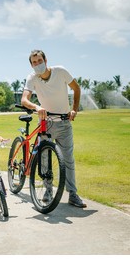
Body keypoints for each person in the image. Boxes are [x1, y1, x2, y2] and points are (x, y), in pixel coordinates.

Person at [21, 49, 87, 208]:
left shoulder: (60, 71)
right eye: (34, 62)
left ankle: (72, 194)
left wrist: (74, 109)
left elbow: (76, 89)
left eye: (39, 61)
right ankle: (48, 190)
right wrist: (37, 107)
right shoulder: (32, 78)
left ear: (45, 60)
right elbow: (24, 99)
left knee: (68, 159)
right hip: (46, 123)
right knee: (44, 159)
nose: (37, 64)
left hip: (64, 123)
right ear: (31, 65)